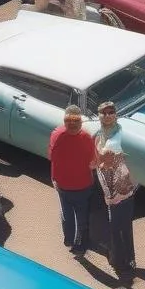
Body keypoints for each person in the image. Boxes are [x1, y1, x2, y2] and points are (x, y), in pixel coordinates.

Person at [93, 106, 137, 282]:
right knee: (122, 228)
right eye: (104, 112)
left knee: (117, 229)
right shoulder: (101, 134)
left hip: (119, 195)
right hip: (118, 192)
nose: (107, 115)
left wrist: (112, 197)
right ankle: (127, 260)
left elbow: (110, 172)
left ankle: (122, 264)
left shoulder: (116, 142)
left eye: (111, 112)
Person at [48, 106, 96, 256]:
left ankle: (69, 239)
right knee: (81, 216)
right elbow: (92, 161)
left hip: (62, 184)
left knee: (67, 214)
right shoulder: (87, 137)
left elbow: (51, 156)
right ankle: (80, 245)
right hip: (83, 184)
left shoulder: (57, 134)